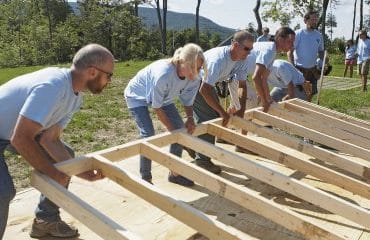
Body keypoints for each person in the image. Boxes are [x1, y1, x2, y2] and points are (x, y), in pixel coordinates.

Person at [0, 44, 113, 239]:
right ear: (93, 72)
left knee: (66, 158)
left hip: (8, 132)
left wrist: (76, 169)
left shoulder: (75, 97)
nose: (109, 81)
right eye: (109, 75)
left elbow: (49, 139)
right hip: (12, 134)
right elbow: (20, 139)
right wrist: (53, 173)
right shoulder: (52, 87)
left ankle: (46, 220)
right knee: (3, 192)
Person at [124, 43, 206, 186]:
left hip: (164, 97)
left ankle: (174, 173)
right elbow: (157, 108)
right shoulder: (164, 74)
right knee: (148, 134)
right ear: (182, 61)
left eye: (199, 68)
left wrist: (190, 118)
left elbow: (187, 100)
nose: (196, 71)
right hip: (137, 95)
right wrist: (173, 130)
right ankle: (146, 178)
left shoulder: (195, 78)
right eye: (193, 67)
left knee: (180, 130)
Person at [192, 30, 254, 174]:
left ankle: (190, 144)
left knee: (213, 114)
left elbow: (242, 86)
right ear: (235, 45)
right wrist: (222, 113)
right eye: (246, 48)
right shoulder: (218, 59)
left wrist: (241, 112)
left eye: (251, 49)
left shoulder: (242, 59)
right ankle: (202, 160)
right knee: (209, 118)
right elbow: (204, 90)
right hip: (192, 82)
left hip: (206, 84)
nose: (249, 52)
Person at [252, 27, 296, 113]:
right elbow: (256, 77)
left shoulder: (273, 51)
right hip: (235, 72)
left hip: (239, 73)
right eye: (290, 41)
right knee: (249, 102)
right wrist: (265, 101)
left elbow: (263, 79)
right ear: (280, 39)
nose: (292, 45)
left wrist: (268, 99)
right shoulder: (269, 50)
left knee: (247, 103)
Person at [288, 10, 324, 101]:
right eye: (312, 19)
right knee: (297, 93)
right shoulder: (298, 34)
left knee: (311, 92)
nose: (314, 21)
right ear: (305, 20)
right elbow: (290, 52)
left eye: (316, 19)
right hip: (299, 69)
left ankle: (307, 110)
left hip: (313, 69)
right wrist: (293, 68)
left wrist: (323, 62)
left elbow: (321, 51)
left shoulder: (318, 35)